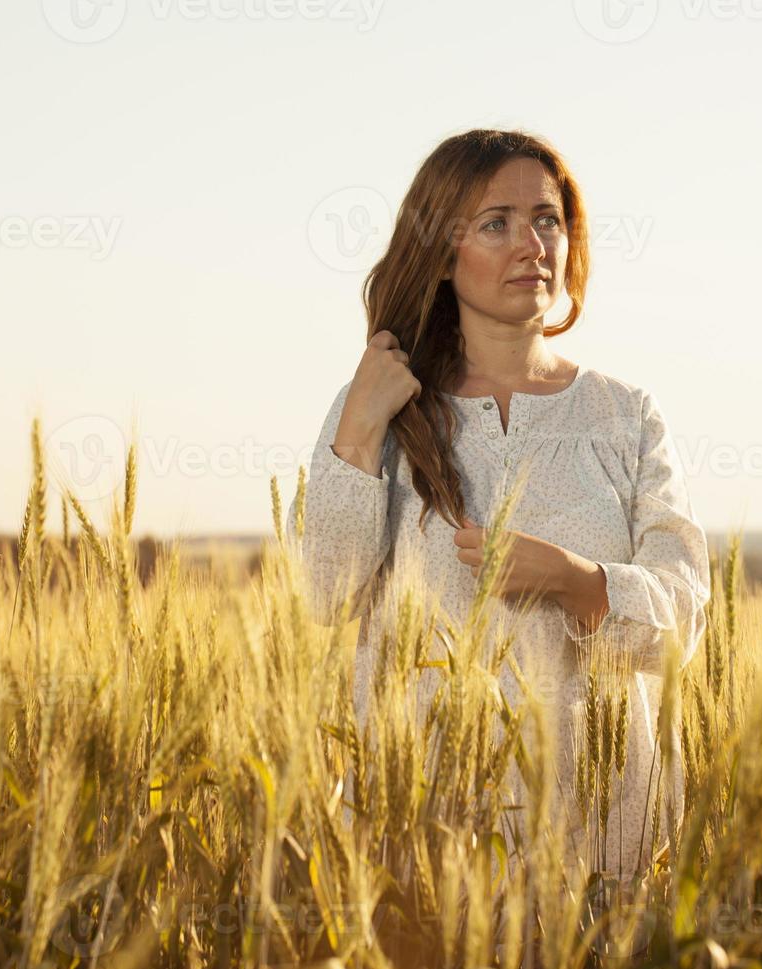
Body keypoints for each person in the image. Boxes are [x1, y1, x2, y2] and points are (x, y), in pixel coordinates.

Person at [286, 128, 711, 881]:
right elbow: (322, 595)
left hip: (600, 840)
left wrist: (581, 582)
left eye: (547, 219)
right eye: (497, 223)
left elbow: (686, 621)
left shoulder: (626, 416)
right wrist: (358, 431)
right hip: (422, 842)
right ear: (442, 253)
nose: (531, 245)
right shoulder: (376, 410)